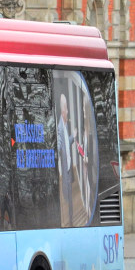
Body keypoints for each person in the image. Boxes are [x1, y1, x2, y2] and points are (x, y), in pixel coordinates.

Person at [56, 93, 73, 226]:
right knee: (67, 199)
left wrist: (74, 137)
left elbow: (67, 145)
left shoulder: (65, 126)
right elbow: (59, 147)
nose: (67, 111)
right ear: (63, 111)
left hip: (68, 168)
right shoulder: (60, 128)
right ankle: (69, 223)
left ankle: (71, 222)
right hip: (65, 171)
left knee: (70, 197)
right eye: (66, 108)